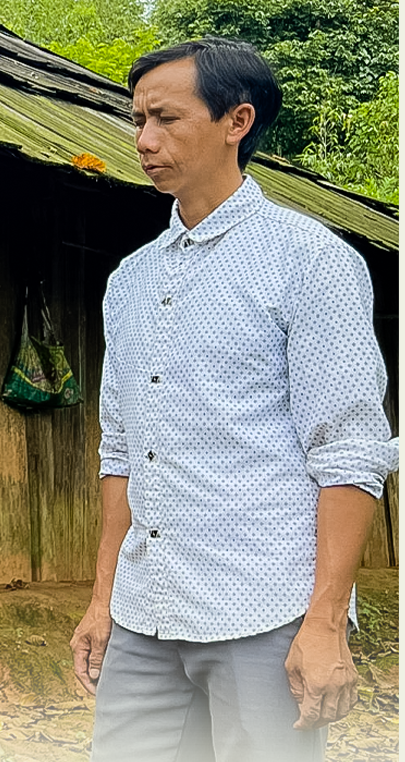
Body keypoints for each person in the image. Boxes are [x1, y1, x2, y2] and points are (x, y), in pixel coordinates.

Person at [69, 38, 398, 762]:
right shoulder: (128, 280)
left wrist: (325, 623)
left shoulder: (311, 261)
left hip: (265, 610)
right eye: (137, 121)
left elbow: (349, 452)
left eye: (165, 118)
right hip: (144, 612)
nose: (144, 140)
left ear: (236, 120)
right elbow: (121, 450)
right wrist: (101, 601)